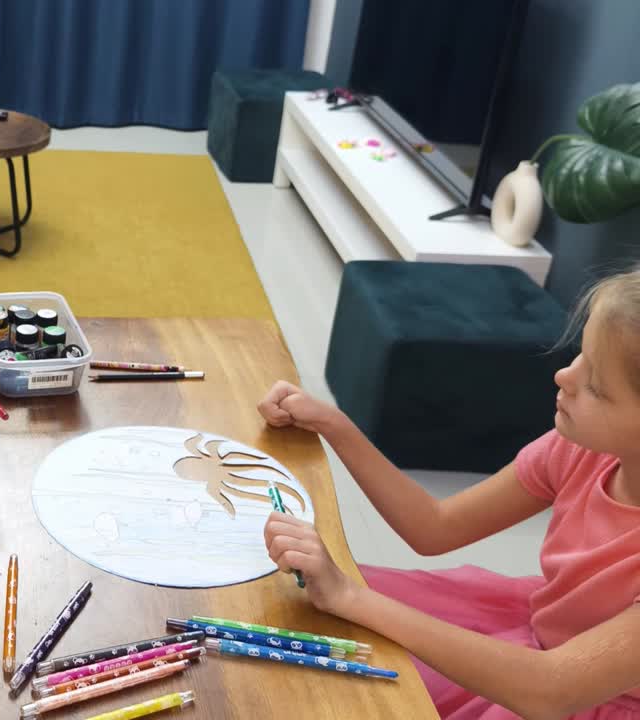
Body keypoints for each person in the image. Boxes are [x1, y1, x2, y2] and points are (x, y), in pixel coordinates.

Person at [256, 269, 640, 719]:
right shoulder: (581, 449)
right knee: (300, 622)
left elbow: (550, 690)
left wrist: (350, 597)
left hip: (568, 692)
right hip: (535, 644)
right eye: (580, 356)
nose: (563, 376)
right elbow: (434, 528)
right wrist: (333, 424)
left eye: (595, 384)